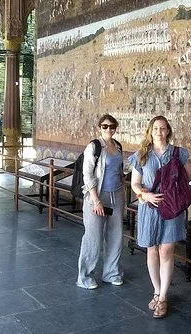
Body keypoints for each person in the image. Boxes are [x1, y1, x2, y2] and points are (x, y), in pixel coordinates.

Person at [129, 115, 191, 319]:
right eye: (155, 128)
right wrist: (145, 195)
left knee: (166, 250)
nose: (159, 132)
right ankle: (156, 290)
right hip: (150, 208)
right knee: (152, 250)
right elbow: (135, 183)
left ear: (168, 131)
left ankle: (163, 297)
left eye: (163, 128)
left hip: (172, 206)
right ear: (150, 131)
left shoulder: (178, 153)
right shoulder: (141, 155)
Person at [76, 114, 125, 290]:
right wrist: (96, 200)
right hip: (97, 195)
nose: (108, 129)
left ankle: (111, 273)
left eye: (112, 126)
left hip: (116, 194)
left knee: (116, 235)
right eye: (105, 126)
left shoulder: (117, 146)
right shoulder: (94, 146)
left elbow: (119, 170)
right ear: (100, 127)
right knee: (93, 237)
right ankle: (85, 276)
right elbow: (87, 174)